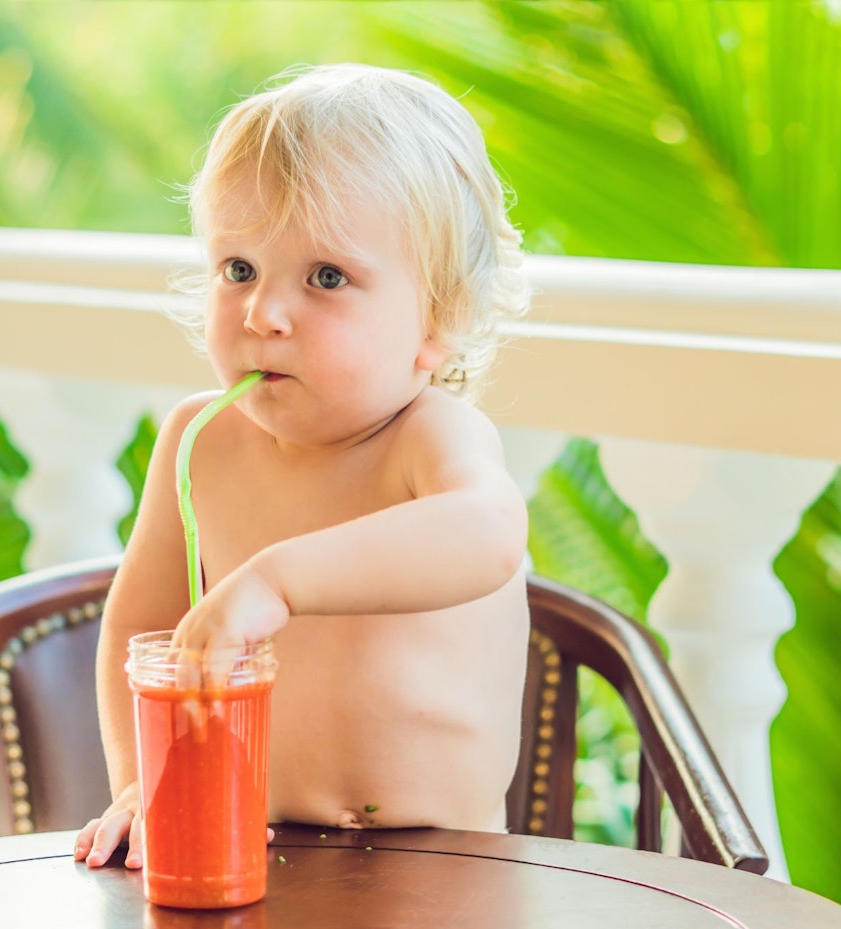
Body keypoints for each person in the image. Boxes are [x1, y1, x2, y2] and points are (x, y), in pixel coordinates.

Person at [75, 63, 532, 870]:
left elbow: (488, 531)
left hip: (442, 880)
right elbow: (138, 635)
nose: (263, 313)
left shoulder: (429, 438)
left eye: (327, 277)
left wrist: (274, 581)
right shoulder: (198, 441)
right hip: (253, 857)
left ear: (440, 320)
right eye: (238, 269)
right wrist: (142, 782)